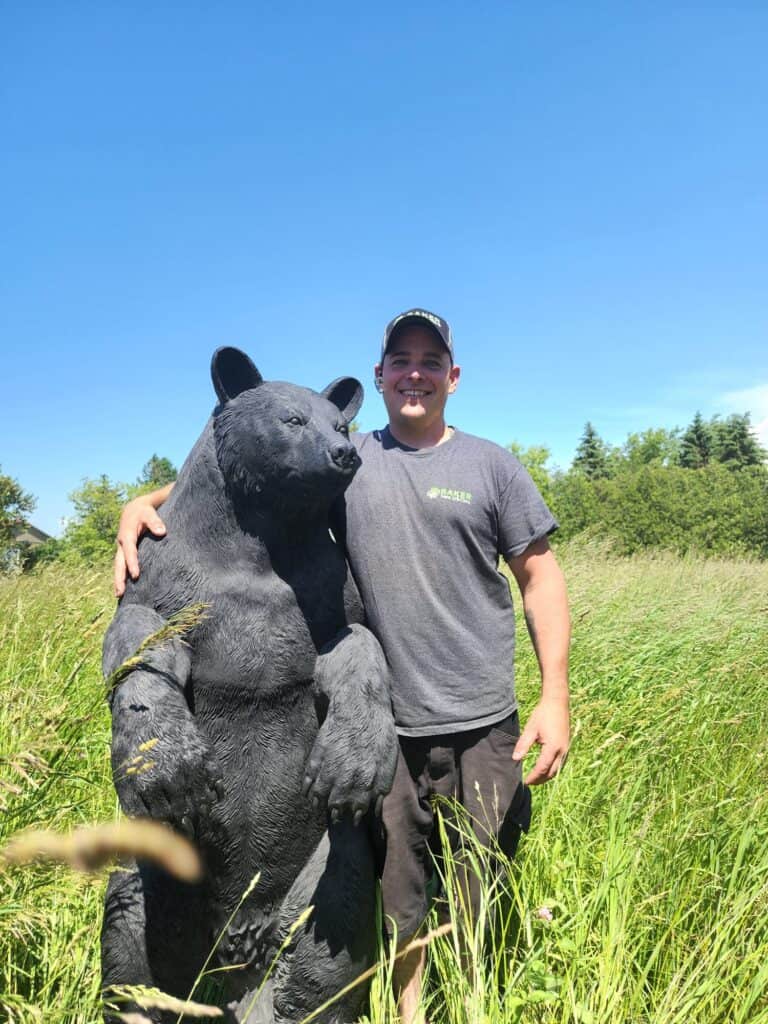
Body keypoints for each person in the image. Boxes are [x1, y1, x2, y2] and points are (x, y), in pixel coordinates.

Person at [114, 309, 571, 1024]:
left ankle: (470, 1005)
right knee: (398, 901)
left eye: (431, 360)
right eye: (401, 360)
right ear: (384, 375)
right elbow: (245, 469)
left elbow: (539, 576)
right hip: (390, 740)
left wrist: (555, 695)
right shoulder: (354, 462)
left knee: (472, 889)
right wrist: (139, 504)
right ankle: (410, 1010)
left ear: (452, 376)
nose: (415, 372)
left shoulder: (478, 465)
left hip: (479, 720)